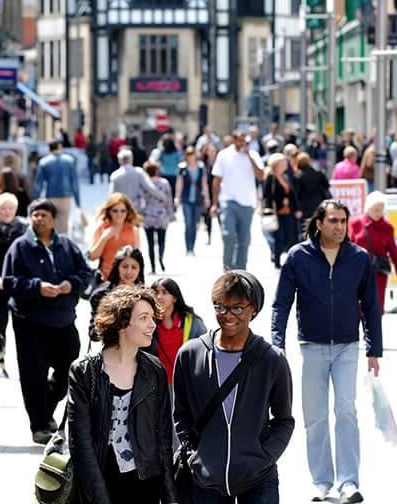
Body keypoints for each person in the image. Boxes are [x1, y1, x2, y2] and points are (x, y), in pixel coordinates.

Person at [271, 200, 382, 503]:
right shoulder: (298, 257)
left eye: (343, 221)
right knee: (315, 416)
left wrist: (375, 349)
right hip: (312, 346)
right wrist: (277, 342)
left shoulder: (359, 258)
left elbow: (371, 306)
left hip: (348, 345)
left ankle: (349, 482)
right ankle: (322, 482)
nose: (339, 226)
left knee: (346, 411)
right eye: (333, 220)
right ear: (319, 223)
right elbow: (281, 302)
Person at [173, 271, 294, 504]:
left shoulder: (272, 359)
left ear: (254, 309)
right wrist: (196, 455)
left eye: (237, 308)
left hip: (259, 478)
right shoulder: (190, 354)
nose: (227, 315)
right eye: (220, 307)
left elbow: (284, 420)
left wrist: (264, 457)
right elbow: (181, 414)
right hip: (205, 478)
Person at [68, 286, 176, 504]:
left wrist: (170, 497)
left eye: (152, 318)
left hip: (145, 482)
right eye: (144, 318)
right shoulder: (84, 371)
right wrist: (99, 498)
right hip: (100, 481)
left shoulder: (154, 371)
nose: (152, 325)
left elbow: (164, 440)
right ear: (122, 323)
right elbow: (80, 443)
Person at [3, 198, 91, 444]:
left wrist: (70, 284)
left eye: (44, 215)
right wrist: (37, 287)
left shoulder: (67, 245)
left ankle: (46, 409)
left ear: (54, 219)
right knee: (34, 376)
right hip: (30, 321)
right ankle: (39, 425)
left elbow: (85, 274)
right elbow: (8, 282)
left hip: (63, 318)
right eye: (35, 215)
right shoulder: (20, 247)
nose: (39, 219)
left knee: (69, 368)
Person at [210, 130, 265, 270]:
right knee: (228, 235)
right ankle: (228, 268)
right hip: (228, 201)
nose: (242, 144)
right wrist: (214, 203)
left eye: (244, 141)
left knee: (244, 239)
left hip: (247, 203)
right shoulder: (223, 155)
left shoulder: (253, 155)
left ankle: (241, 270)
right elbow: (216, 180)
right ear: (234, 140)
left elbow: (261, 176)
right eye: (239, 140)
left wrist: (249, 157)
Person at [0, 192, 28, 377]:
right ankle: (1, 362)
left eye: (10, 208)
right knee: (0, 324)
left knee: (22, 325)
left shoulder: (25, 230)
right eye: (3, 208)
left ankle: (23, 361)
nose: (7, 212)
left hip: (19, 284)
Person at [349, 191, 397, 312]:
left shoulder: (387, 227)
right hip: (358, 272)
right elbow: (346, 249)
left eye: (381, 210)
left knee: (377, 308)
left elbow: (395, 254)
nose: (379, 213)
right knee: (356, 309)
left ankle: (375, 331)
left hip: (378, 273)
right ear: (368, 208)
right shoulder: (355, 224)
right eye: (376, 210)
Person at [147, 277, 206, 386]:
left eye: (165, 292)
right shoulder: (147, 322)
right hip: (156, 384)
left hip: (185, 382)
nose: (159, 297)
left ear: (175, 297)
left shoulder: (192, 322)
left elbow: (205, 351)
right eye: (156, 293)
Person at [88, 246, 145, 342]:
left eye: (134, 267)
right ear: (117, 267)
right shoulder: (100, 295)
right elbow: (93, 334)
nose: (129, 271)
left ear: (140, 270)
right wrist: (107, 320)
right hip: (111, 351)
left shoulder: (145, 296)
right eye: (124, 266)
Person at [89, 193, 142, 281]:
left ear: (127, 212)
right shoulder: (102, 228)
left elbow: (136, 261)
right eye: (115, 211)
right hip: (105, 279)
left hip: (126, 280)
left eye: (123, 211)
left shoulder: (133, 230)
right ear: (109, 211)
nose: (119, 214)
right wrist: (104, 238)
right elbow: (92, 257)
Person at [263, 152, 302, 268]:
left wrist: (297, 208)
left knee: (291, 236)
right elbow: (267, 195)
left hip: (289, 211)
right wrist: (270, 208)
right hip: (277, 212)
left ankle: (291, 259)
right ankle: (277, 260)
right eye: (283, 162)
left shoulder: (286, 176)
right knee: (279, 237)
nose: (286, 163)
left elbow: (292, 193)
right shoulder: (271, 177)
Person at [33, 139, 81, 234]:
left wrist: (36, 200)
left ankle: (50, 244)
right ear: (60, 147)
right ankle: (62, 246)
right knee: (63, 226)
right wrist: (77, 201)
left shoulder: (44, 162)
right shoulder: (70, 161)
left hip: (51, 196)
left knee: (49, 223)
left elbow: (38, 183)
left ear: (49, 149)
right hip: (65, 197)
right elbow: (75, 183)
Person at [174, 146, 210, 256]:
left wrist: (207, 198)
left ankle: (192, 247)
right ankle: (188, 248)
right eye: (189, 155)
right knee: (188, 223)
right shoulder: (182, 168)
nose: (191, 158)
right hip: (186, 200)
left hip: (198, 199)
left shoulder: (200, 168)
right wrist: (177, 197)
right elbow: (179, 184)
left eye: (192, 155)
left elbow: (204, 184)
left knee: (195, 224)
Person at [109, 148, 168, 213]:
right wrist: (162, 196)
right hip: (135, 208)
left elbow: (112, 195)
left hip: (121, 209)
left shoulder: (114, 175)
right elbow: (149, 187)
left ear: (119, 160)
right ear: (131, 159)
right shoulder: (138, 172)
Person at [141, 161, 174, 274]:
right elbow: (169, 199)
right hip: (161, 215)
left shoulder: (145, 183)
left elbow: (141, 199)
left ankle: (153, 266)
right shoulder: (164, 183)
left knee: (150, 243)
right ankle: (160, 257)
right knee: (161, 240)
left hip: (148, 215)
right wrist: (171, 214)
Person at [296, 152, 331, 221]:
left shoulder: (298, 176)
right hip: (318, 202)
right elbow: (327, 185)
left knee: (306, 226)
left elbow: (297, 192)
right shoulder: (318, 173)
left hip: (304, 205)